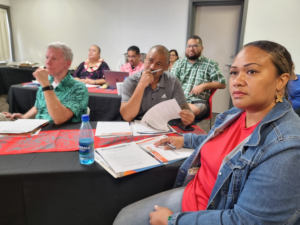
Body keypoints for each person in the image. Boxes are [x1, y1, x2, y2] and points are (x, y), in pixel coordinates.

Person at [114, 40, 300, 225]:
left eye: (251, 71)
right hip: (193, 193)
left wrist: (172, 221)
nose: (237, 81)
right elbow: (220, 142)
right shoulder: (236, 114)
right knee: (123, 215)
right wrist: (184, 139)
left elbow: (247, 221)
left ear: (281, 80)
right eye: (234, 72)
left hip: (210, 212)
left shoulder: (286, 145)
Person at [0, 42, 88, 124]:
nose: (48, 62)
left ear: (67, 64)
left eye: (54, 58)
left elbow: (59, 119)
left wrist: (46, 85)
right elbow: (38, 106)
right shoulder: (48, 80)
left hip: (55, 132)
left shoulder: (78, 88)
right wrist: (24, 118)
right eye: (47, 57)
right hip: (36, 126)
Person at [120, 45, 195, 126]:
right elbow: (127, 117)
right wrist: (141, 85)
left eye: (159, 64)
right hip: (137, 125)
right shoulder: (131, 81)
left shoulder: (173, 81)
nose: (152, 67)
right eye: (150, 60)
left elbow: (184, 107)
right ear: (145, 59)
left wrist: (189, 115)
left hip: (164, 126)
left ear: (166, 67)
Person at [171, 35, 226, 119]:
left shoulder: (210, 64)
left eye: (195, 46)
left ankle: (177, 112)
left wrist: (204, 86)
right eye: (189, 46)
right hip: (180, 99)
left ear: (202, 48)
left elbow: (222, 84)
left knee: (193, 110)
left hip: (198, 102)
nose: (191, 48)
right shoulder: (179, 63)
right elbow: (171, 83)